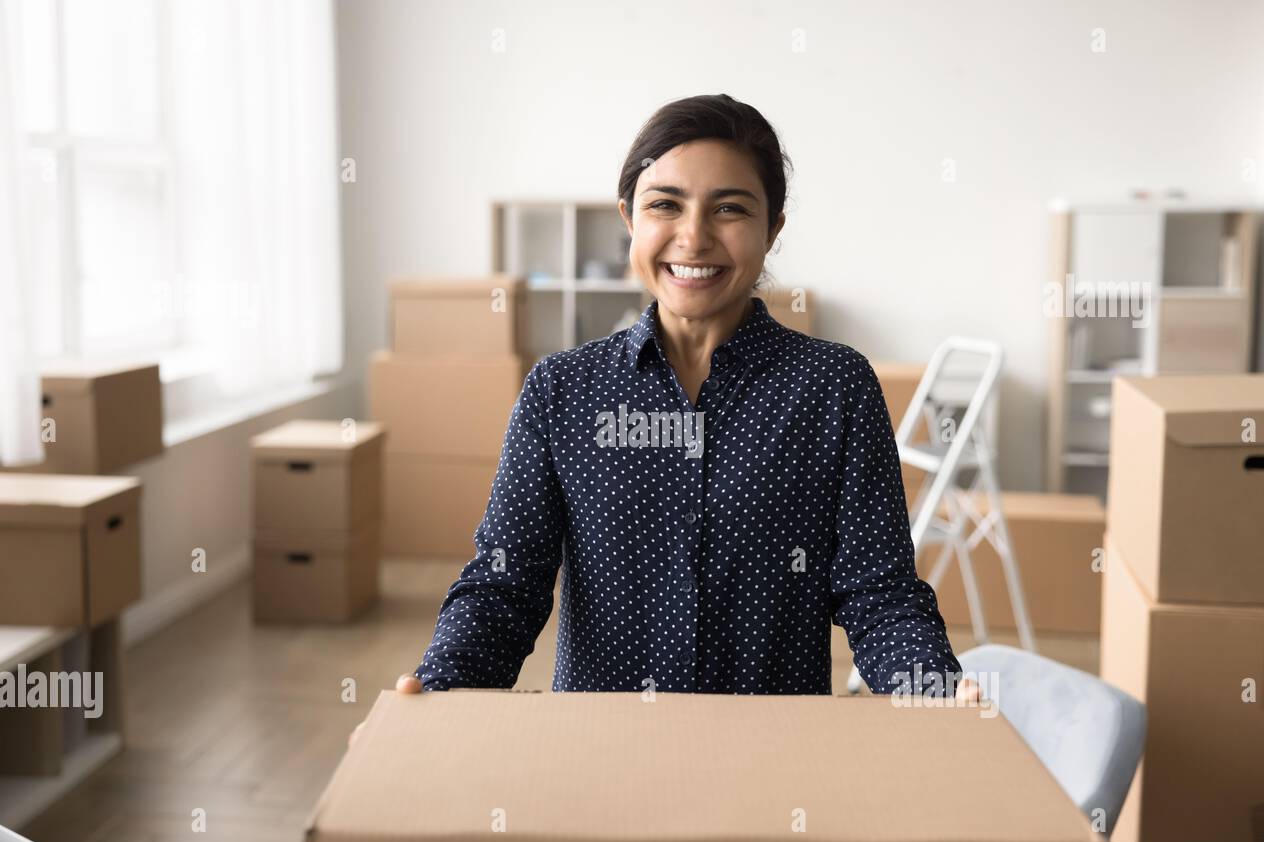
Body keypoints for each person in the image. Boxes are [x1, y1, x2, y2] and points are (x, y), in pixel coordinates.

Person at [353, 94, 978, 748]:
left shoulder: (834, 387)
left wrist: (930, 690)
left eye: (730, 208)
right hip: (601, 757)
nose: (694, 237)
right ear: (629, 218)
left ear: (774, 227)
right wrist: (437, 690)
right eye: (665, 204)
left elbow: (879, 597)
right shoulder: (561, 390)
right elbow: (505, 585)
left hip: (774, 761)